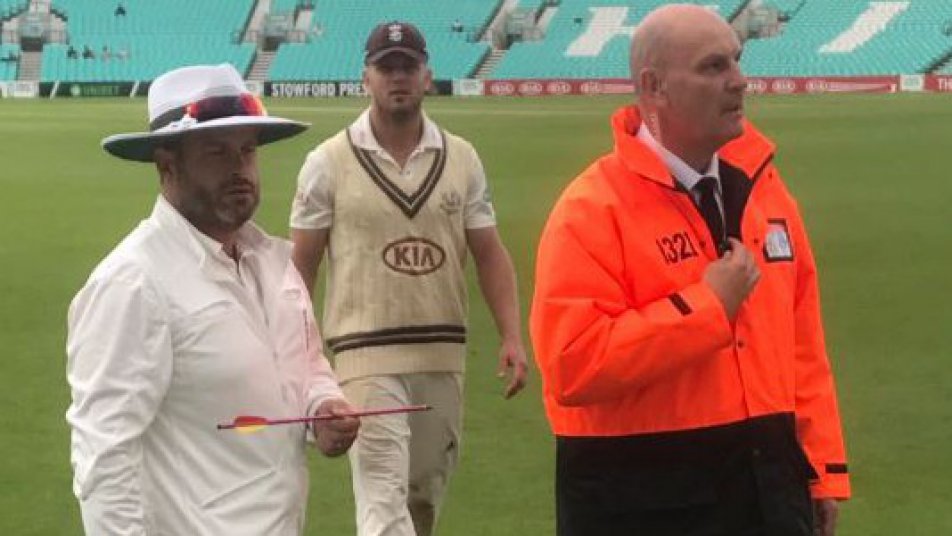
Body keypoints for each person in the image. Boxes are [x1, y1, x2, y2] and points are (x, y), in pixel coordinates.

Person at [530, 5, 850, 536]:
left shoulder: (766, 196)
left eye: (737, 61)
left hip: (769, 489)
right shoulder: (591, 210)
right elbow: (573, 365)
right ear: (654, 87)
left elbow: (802, 345)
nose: (739, 81)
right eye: (713, 67)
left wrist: (818, 470)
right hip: (643, 500)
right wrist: (705, 309)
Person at [66, 64, 360, 535]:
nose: (240, 168)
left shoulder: (273, 259)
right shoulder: (133, 284)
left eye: (247, 151)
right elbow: (104, 458)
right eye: (217, 152)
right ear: (168, 165)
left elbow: (304, 364)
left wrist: (321, 407)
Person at [289, 21, 528, 536]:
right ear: (365, 78)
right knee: (382, 504)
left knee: (421, 506)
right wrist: (298, 353)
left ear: (427, 76)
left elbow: (489, 253)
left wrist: (511, 334)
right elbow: (300, 265)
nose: (398, 76)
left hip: (442, 355)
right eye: (386, 67)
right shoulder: (326, 162)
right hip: (363, 354)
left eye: (408, 66)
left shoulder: (462, 158)